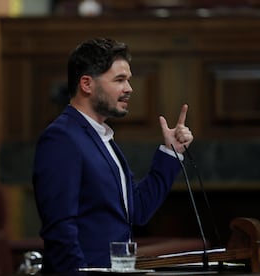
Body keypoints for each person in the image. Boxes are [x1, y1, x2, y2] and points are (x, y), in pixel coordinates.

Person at [32, 37, 194, 273]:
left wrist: (171, 153)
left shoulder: (102, 138)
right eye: (119, 80)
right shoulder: (61, 138)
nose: (129, 88)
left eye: (128, 79)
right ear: (87, 84)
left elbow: (137, 210)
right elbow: (60, 229)